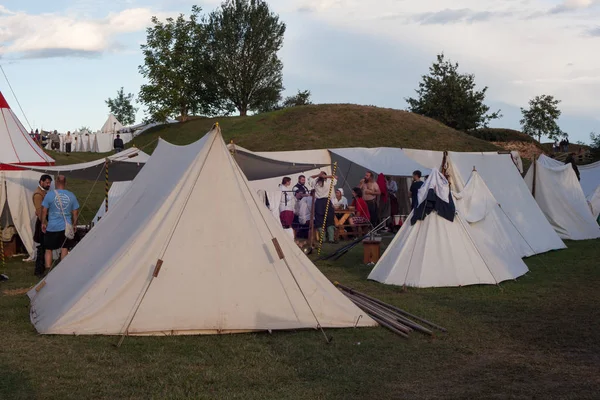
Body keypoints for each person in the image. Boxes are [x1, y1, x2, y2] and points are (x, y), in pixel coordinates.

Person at [41, 175, 79, 271]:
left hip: (52, 226)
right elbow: (75, 212)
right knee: (64, 248)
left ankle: (48, 269)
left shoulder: (49, 195)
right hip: (66, 226)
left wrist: (43, 222)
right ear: (65, 183)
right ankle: (63, 270)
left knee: (48, 249)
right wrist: (75, 224)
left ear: (56, 183)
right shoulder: (71, 195)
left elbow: (44, 210)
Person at [308, 171, 338, 243]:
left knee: (320, 219)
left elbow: (309, 177)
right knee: (328, 219)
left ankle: (324, 239)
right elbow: (336, 177)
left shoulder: (316, 182)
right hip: (326, 201)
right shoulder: (328, 181)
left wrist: (319, 175)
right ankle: (329, 239)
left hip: (319, 202)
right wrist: (326, 176)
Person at [32, 174, 52, 277]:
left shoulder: (43, 193)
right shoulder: (38, 194)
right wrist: (45, 224)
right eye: (47, 183)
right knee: (42, 247)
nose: (49, 185)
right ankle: (39, 270)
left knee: (45, 246)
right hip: (42, 223)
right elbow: (40, 212)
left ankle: (42, 268)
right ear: (41, 182)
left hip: (45, 221)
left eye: (49, 183)